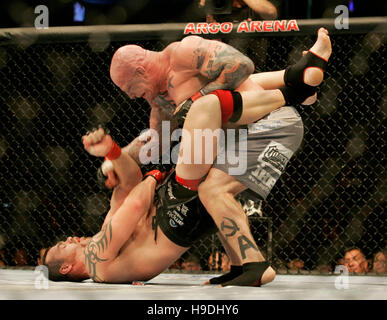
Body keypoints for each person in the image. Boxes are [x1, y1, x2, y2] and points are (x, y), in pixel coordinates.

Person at [107, 29, 331, 286]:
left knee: (214, 187)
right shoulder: (160, 100)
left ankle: (256, 265)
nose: (131, 96)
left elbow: (243, 65)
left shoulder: (184, 51)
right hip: (246, 132)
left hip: (271, 123)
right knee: (208, 188)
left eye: (129, 88)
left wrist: (196, 98)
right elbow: (157, 140)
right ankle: (240, 266)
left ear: (140, 70)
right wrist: (117, 158)